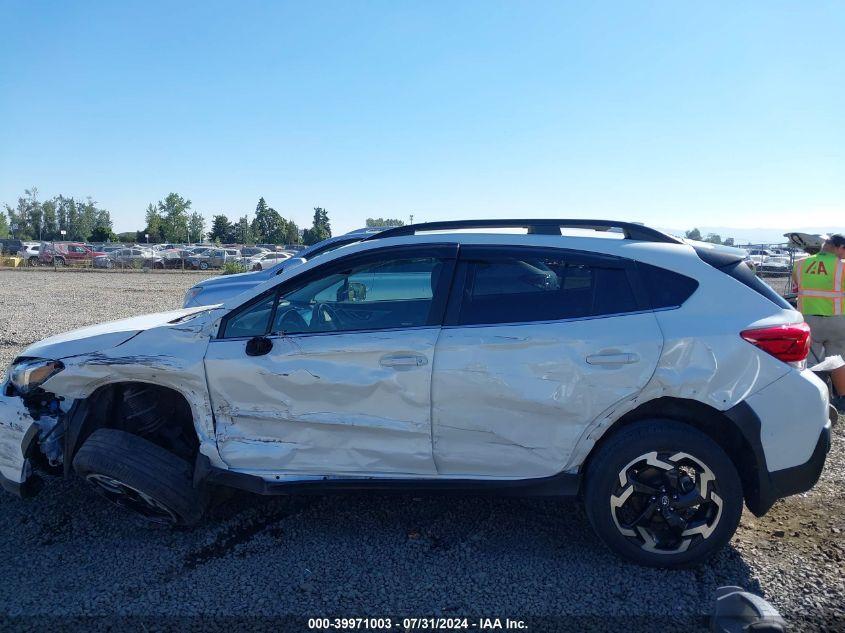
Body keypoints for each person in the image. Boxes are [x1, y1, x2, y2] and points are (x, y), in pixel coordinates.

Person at [793, 233, 845, 411]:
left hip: (808, 319)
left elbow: (797, 286)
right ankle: (842, 399)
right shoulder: (842, 266)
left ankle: (815, 397)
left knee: (811, 361)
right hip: (837, 319)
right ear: (839, 247)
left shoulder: (800, 264)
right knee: (838, 359)